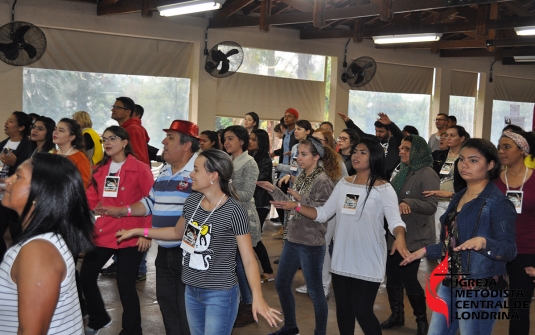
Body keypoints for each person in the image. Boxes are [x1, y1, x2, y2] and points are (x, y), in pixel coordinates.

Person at [116, 149, 281, 335]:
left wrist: (257, 297)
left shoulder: (234, 210)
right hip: (191, 290)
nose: (191, 175)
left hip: (219, 294)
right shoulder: (193, 202)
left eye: (196, 170)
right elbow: (177, 232)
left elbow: (249, 258)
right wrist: (139, 230)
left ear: (213, 176)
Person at [270, 137, 409, 335]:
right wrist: (297, 206)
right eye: (355, 152)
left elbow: (396, 221)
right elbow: (324, 213)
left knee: (362, 310)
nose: (356, 156)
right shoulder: (344, 184)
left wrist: (400, 237)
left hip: (368, 258)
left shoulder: (384, 188)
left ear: (375, 157)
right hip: (343, 257)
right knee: (344, 311)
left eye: (363, 152)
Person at [401, 138, 517, 335]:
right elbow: (453, 243)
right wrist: (424, 251)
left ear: (490, 165)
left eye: (473, 160)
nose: (464, 165)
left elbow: (509, 250)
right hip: (450, 280)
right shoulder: (458, 197)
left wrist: (484, 243)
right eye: (462, 159)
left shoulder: (497, 203)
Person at [97, 120, 200, 335]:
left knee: (187, 308)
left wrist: (143, 232)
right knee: (167, 303)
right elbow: (150, 202)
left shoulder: (199, 171)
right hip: (165, 251)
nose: (163, 141)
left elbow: (203, 212)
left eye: (170, 138)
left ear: (186, 145)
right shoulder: (164, 171)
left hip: (188, 251)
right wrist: (123, 211)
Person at [0, 153, 94, 334]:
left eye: (18, 176)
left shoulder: (37, 252)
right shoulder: (44, 239)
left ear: (40, 194)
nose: (8, 180)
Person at [258, 136, 336, 335]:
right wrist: (274, 190)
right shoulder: (302, 176)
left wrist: (298, 204)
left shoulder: (323, 181)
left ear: (316, 156)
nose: (298, 158)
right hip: (293, 239)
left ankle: (320, 332)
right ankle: (291, 327)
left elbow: (320, 213)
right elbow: (290, 205)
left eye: (303, 154)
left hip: (311, 243)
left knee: (316, 291)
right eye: (297, 154)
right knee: (282, 283)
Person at [82, 126, 153, 335]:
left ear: (124, 142)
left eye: (112, 138)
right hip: (105, 232)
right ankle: (98, 317)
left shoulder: (140, 168)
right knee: (86, 275)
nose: (107, 143)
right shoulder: (99, 169)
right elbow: (92, 198)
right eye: (104, 140)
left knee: (125, 285)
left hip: (132, 233)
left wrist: (145, 231)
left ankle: (131, 330)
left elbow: (151, 201)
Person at [382, 135, 439, 335]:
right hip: (396, 234)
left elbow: (432, 206)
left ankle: (422, 321)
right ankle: (397, 315)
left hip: (416, 236)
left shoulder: (427, 173)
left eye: (406, 148)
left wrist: (411, 203)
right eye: (400, 147)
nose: (401, 151)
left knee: (409, 279)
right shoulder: (402, 171)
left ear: (418, 151)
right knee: (393, 278)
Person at [495, 130, 535, 335]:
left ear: (523, 150)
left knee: (518, 308)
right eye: (499, 147)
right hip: (497, 251)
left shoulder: (534, 179)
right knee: (485, 305)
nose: (501, 151)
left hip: (527, 252)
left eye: (507, 147)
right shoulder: (494, 180)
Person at [222, 125, 262, 327]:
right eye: (225, 139)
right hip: (229, 218)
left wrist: (222, 189)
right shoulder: (227, 161)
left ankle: (248, 305)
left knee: (241, 265)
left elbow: (246, 195)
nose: (226, 142)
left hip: (244, 219)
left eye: (230, 139)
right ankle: (242, 303)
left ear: (242, 141)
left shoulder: (249, 163)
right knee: (233, 266)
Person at [424, 125, 469, 243]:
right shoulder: (438, 155)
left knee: (454, 237)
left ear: (462, 138)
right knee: (438, 237)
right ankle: (440, 261)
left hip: (456, 201)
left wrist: (452, 194)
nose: (448, 138)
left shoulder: (467, 158)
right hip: (438, 201)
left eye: (452, 135)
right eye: (446, 135)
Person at [0, 111, 33, 260]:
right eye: (7, 120)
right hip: (1, 195)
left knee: (17, 234)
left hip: (17, 198)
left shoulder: (29, 146)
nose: (7, 123)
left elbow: (28, 170)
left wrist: (15, 164)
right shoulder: (2, 144)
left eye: (11, 121)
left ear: (21, 127)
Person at [337, 112, 403, 178]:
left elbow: (400, 136)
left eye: (381, 132)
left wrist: (390, 124)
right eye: (376, 131)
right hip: (372, 176)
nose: (377, 134)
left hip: (389, 177)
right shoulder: (374, 140)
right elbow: (360, 134)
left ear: (389, 131)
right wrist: (348, 122)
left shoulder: (396, 142)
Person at [248, 129, 275, 284]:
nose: (250, 141)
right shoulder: (251, 156)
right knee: (250, 237)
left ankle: (268, 271)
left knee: (255, 238)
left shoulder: (264, 159)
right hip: (251, 201)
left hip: (260, 202)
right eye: (250, 138)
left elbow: (260, 178)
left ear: (261, 143)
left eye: (253, 139)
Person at [52, 118, 92, 189]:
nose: (55, 132)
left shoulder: (80, 158)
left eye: (61, 130)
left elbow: (84, 185)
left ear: (72, 137)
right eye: (55, 129)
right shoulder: (54, 153)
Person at [111, 97, 150, 165]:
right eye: (113, 107)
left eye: (117, 107)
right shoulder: (126, 128)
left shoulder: (133, 129)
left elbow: (138, 157)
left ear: (127, 112)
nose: (113, 110)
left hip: (133, 173)